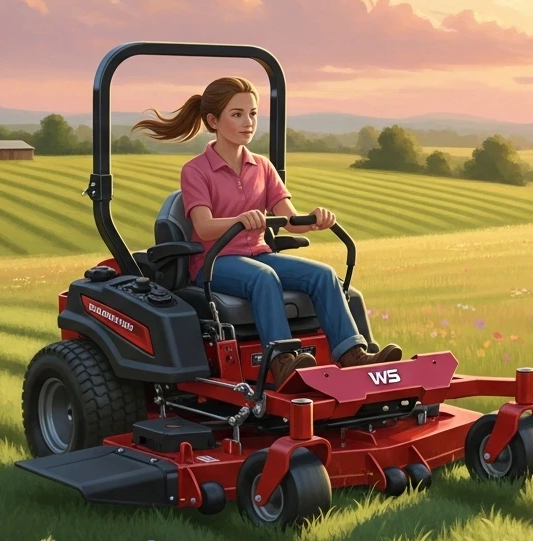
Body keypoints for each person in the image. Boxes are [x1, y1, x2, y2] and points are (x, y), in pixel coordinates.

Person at [132, 77, 402, 387]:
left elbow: (289, 219)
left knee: (323, 274)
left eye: (253, 114)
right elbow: (204, 227)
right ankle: (281, 361)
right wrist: (240, 219)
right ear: (213, 120)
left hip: (259, 255)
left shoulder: (262, 166)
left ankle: (353, 354)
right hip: (215, 261)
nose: (248, 122)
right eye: (237, 114)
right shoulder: (196, 170)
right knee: (264, 278)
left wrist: (316, 218)